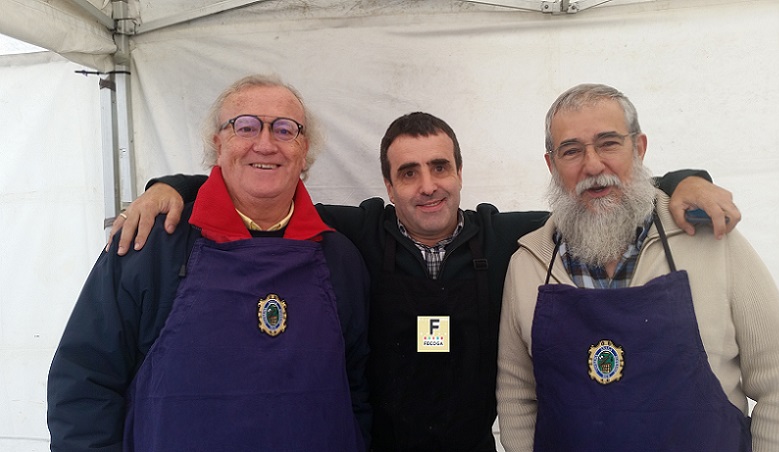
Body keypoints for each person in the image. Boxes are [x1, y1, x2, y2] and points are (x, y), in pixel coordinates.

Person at [110, 112, 739, 451]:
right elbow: (263, 192)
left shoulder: (507, 236)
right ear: (388, 185)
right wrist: (174, 187)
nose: (428, 185)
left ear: (461, 172)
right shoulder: (355, 232)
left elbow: (598, 195)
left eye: (440, 167)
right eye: (408, 173)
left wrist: (682, 180)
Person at [47, 75, 371, 451]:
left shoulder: (341, 258)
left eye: (285, 130)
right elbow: (84, 383)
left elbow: (357, 392)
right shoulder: (149, 243)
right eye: (245, 127)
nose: (266, 144)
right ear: (218, 143)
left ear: (304, 149)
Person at [496, 83, 779, 451]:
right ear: (552, 165)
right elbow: (517, 398)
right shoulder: (528, 264)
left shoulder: (711, 241)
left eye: (608, 143)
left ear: (639, 148)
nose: (592, 165)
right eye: (571, 151)